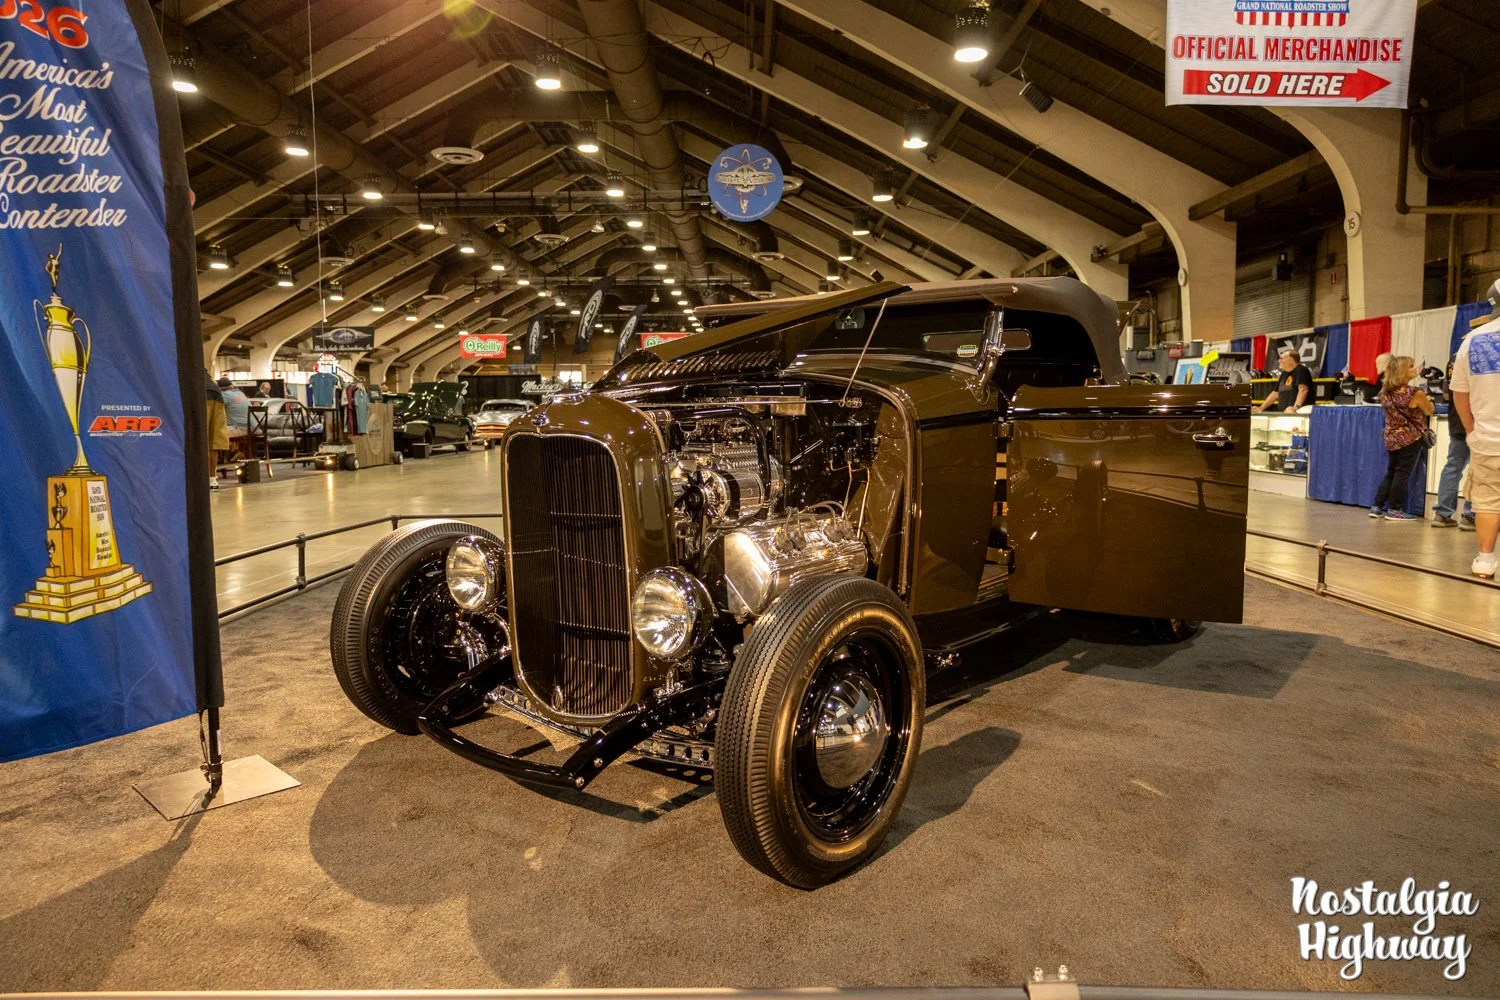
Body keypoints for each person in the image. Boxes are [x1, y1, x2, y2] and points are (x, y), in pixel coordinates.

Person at [1450, 283, 1500, 578]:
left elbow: (1459, 392)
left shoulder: (1472, 340)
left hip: (1488, 439)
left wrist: (1471, 430)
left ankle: (1485, 560)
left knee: (1488, 501)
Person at [1369, 355, 1434, 521]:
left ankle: (1377, 506)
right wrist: (1429, 401)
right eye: (1411, 366)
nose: (1415, 369)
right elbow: (1428, 410)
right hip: (1409, 438)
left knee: (1391, 472)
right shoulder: (1415, 393)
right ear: (1404, 372)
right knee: (1402, 474)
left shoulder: (1384, 392)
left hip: (1391, 437)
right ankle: (1395, 509)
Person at [1432, 351, 1476, 530]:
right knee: (1479, 468)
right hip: (1479, 419)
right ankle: (1472, 515)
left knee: (1453, 466)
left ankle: (1442, 514)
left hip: (1457, 419)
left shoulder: (1454, 358)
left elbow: (1446, 394)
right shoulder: (1485, 353)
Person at [1255, 347, 1314, 413]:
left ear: (1291, 360)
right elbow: (1275, 394)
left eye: (1281, 358)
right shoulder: (1284, 373)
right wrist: (1261, 408)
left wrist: (1295, 408)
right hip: (1285, 412)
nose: (1279, 361)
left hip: (1300, 413)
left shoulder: (1301, 370)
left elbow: (1303, 390)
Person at [218, 377, 250, 457]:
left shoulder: (225, 395)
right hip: (253, 428)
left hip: (240, 428)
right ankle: (234, 453)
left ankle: (234, 452)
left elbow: (217, 408)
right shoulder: (240, 393)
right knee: (224, 429)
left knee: (217, 432)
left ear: (220, 388)